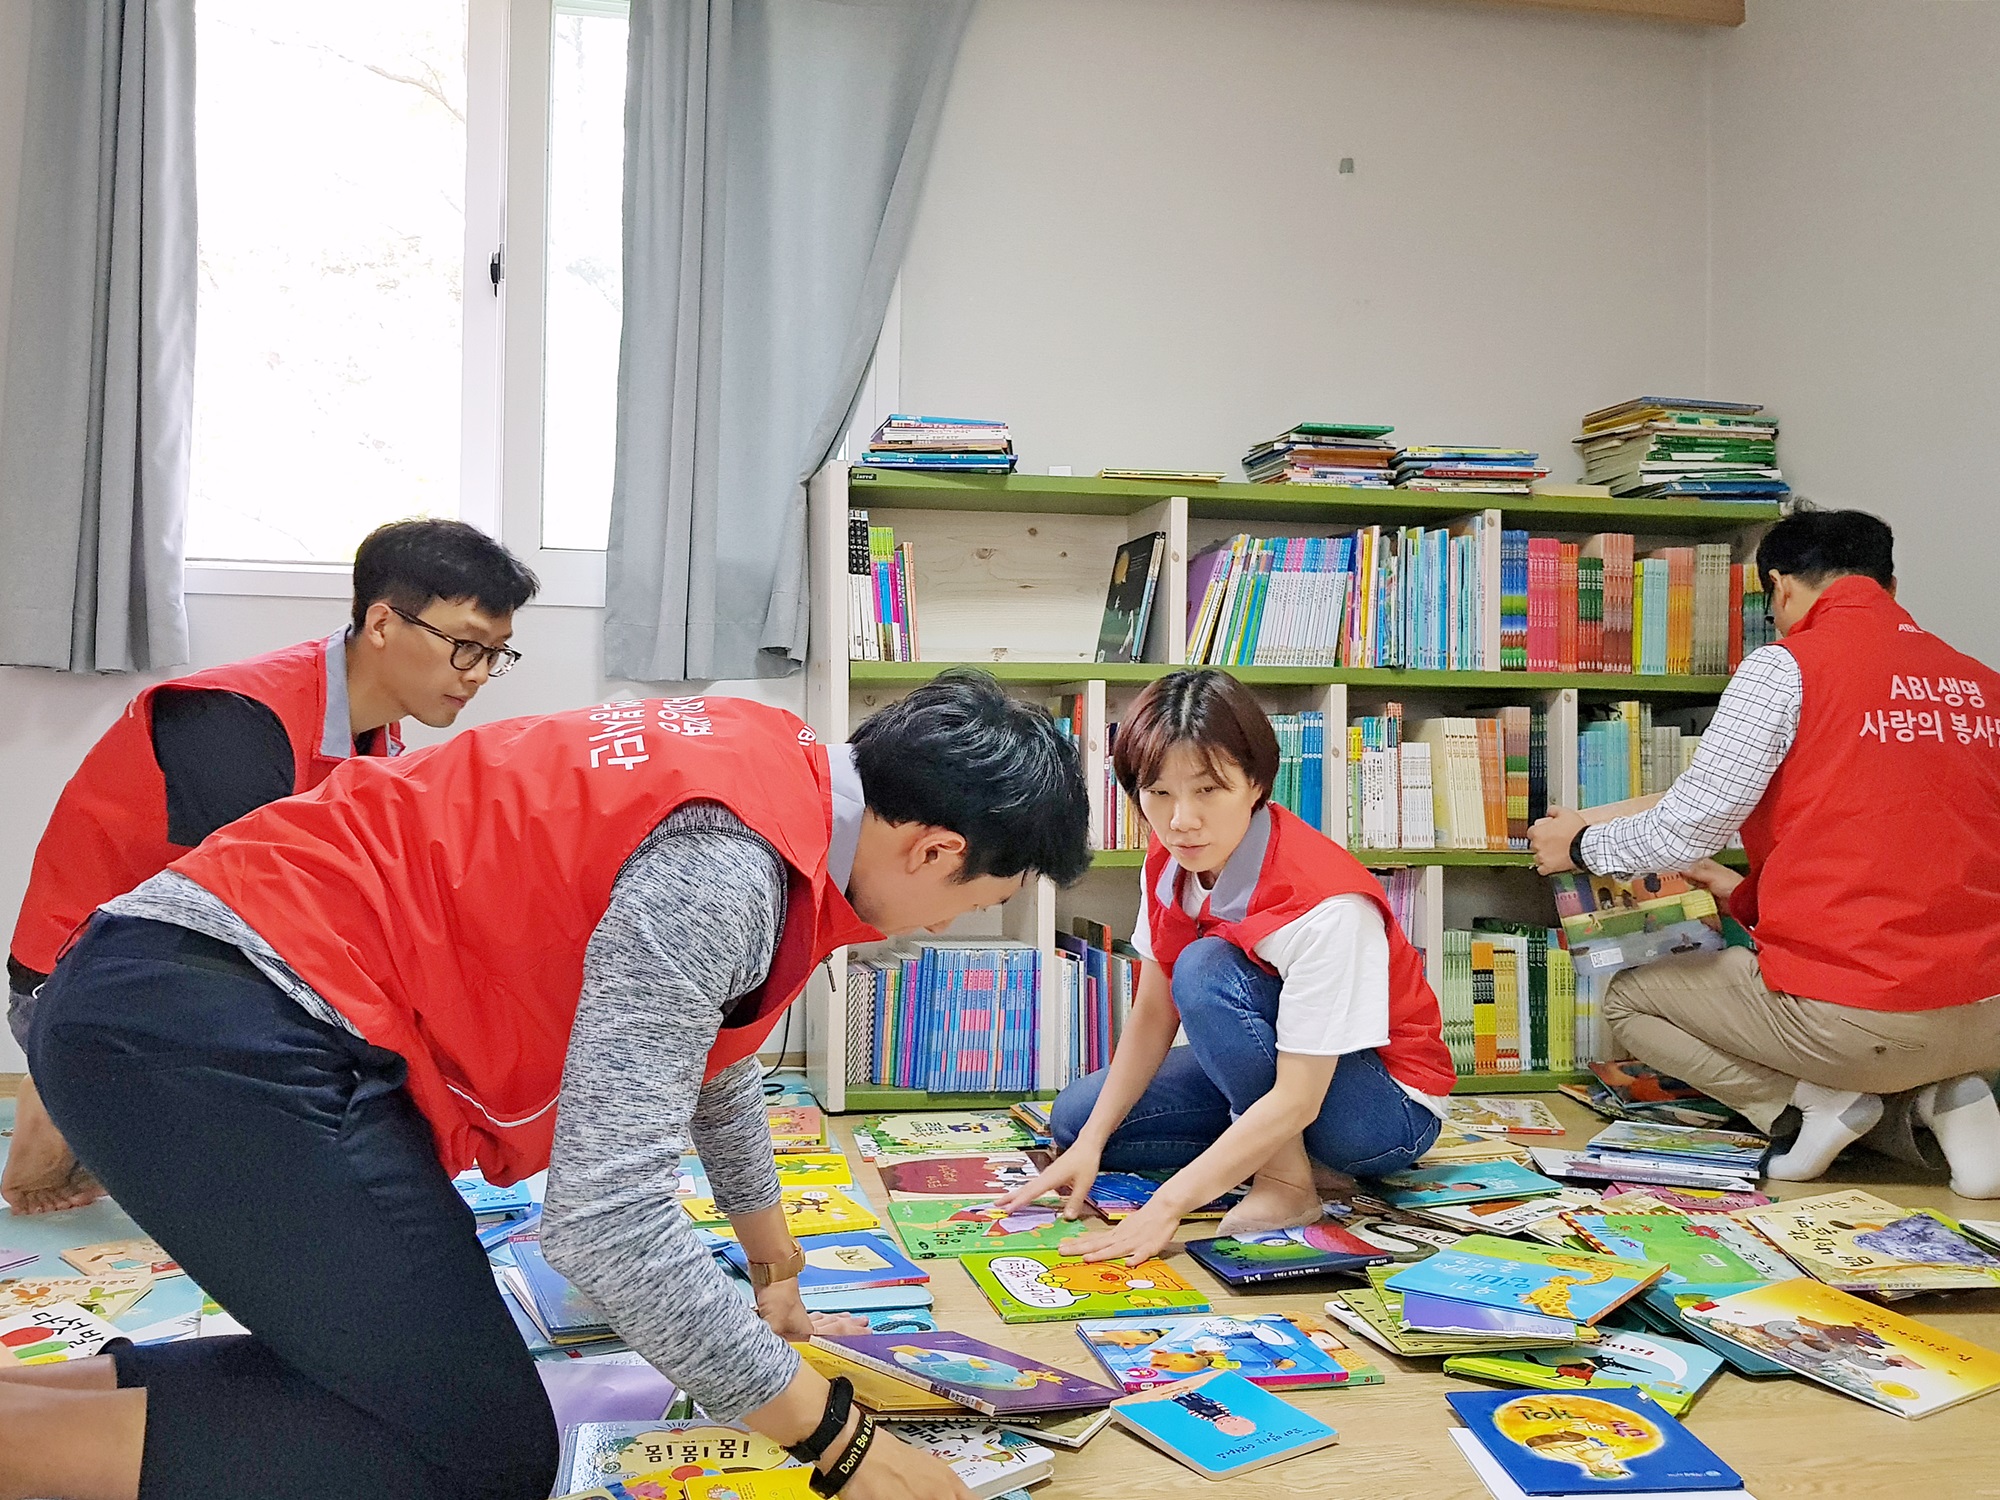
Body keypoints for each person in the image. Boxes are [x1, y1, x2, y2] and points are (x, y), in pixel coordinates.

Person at [5, 671, 1089, 1500]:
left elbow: (712, 1053)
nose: (950, 926)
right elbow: (605, 1224)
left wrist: (770, 1254)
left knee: (432, 1389)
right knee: (475, 1455)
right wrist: (839, 1441)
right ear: (936, 850)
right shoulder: (724, 873)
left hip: (204, 998)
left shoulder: (773, 770)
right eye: (974, 901)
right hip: (212, 1027)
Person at [3, 517, 539, 1216]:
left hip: (177, 963)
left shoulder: (375, 743)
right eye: (463, 645)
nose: (476, 675)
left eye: (494, 654)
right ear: (382, 623)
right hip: (86, 974)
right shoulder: (236, 717)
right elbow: (240, 933)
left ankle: (105, 1104)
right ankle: (67, 1082)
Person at [1529, 510, 2000, 1196]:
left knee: (1630, 998)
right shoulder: (1978, 683)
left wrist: (1579, 844)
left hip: (1860, 1021)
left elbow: (1682, 831)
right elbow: (1905, 839)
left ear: (1779, 587)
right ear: (1891, 585)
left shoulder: (1786, 668)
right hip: (1986, 1013)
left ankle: (1815, 1103)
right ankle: (1945, 1102)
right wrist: (1744, 892)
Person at [999, 669, 1455, 1266]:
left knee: (1206, 967)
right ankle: (1271, 1154)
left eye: (1208, 790)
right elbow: (1154, 1008)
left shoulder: (1327, 905)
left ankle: (1289, 1186)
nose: (1181, 819)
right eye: (1158, 792)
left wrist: (1165, 1207)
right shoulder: (1170, 861)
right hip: (1282, 1073)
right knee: (1076, 1118)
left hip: (1382, 1112)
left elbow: (1297, 1097)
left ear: (1256, 784)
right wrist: (1088, 1143)